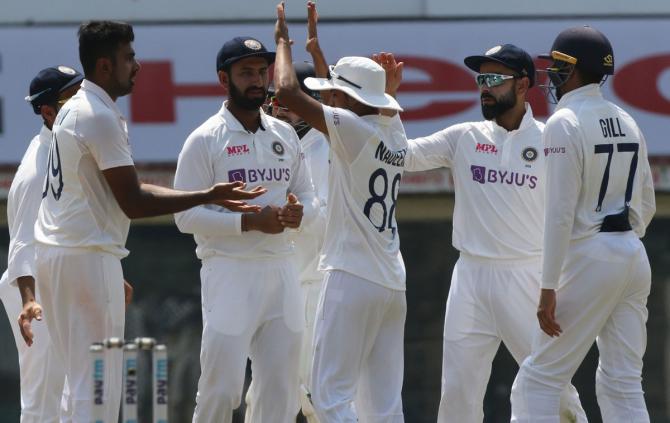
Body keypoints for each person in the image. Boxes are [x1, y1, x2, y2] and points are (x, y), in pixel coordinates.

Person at [28, 21, 265, 423]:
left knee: (77, 382)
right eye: (129, 57)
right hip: (85, 257)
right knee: (98, 388)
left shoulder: (74, 109)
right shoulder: (98, 116)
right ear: (105, 66)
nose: (137, 66)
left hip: (59, 256)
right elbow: (134, 201)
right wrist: (208, 194)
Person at [377, 45, 586, 422]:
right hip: (470, 278)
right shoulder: (464, 137)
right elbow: (402, 156)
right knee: (457, 392)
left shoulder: (550, 139)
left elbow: (571, 214)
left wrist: (559, 280)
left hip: (526, 277)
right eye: (480, 80)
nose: (483, 88)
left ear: (523, 85)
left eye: (493, 80)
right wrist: (388, 100)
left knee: (552, 387)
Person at [511, 26, 655, 422]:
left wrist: (547, 287)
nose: (552, 75)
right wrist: (622, 245)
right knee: (623, 382)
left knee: (537, 380)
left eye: (557, 65)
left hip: (591, 255)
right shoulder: (627, 120)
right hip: (632, 255)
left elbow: (558, 213)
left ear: (573, 69)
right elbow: (645, 205)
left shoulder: (563, 121)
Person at [274, 3, 408, 421]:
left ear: (344, 99)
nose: (325, 96)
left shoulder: (350, 130)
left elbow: (286, 92)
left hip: (350, 277)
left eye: (331, 92)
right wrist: (317, 53)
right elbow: (353, 101)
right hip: (392, 282)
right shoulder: (394, 132)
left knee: (328, 397)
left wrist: (282, 42)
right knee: (383, 405)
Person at [173, 35, 317, 423]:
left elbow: (308, 195)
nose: (257, 80)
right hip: (229, 271)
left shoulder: (284, 135)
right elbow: (184, 216)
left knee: (281, 390)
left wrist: (298, 212)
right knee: (222, 389)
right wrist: (250, 221)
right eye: (245, 72)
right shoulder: (204, 139)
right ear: (224, 78)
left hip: (281, 269)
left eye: (261, 71)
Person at [0, 66, 80, 423]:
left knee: (68, 398)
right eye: (74, 98)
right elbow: (22, 241)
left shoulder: (66, 148)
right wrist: (30, 299)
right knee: (42, 400)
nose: (85, 107)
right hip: (33, 286)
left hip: (58, 279)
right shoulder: (39, 168)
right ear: (48, 112)